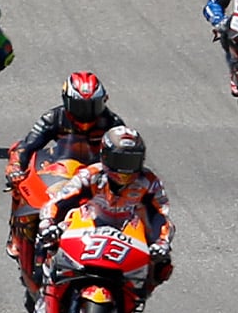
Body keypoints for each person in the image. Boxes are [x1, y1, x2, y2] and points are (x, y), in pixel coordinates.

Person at [36, 125, 174, 296]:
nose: (125, 169)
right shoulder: (91, 174)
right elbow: (60, 200)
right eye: (119, 160)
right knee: (48, 241)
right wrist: (48, 222)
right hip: (88, 223)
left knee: (163, 263)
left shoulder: (150, 182)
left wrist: (162, 242)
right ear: (105, 156)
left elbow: (161, 214)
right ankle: (45, 291)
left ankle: (137, 295)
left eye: (131, 161)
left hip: (129, 229)